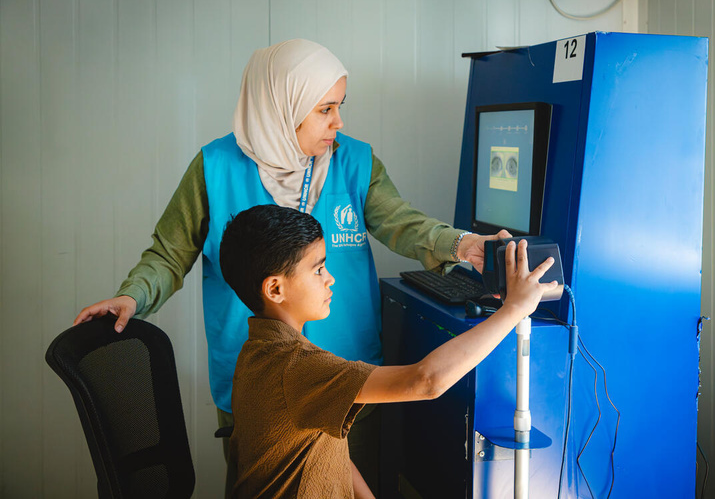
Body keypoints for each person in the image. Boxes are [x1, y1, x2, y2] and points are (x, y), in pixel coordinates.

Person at [72, 38, 508, 493]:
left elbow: (404, 223)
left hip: (351, 371)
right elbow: (169, 253)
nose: (338, 122)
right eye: (325, 109)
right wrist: (132, 295)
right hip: (263, 382)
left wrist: (462, 245)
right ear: (281, 106)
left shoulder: (354, 160)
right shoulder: (215, 167)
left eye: (339, 106)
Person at [219, 204, 556, 498]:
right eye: (318, 269)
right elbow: (425, 381)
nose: (330, 279)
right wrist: (513, 309)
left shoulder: (260, 350)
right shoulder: (296, 367)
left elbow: (327, 450)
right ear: (275, 288)